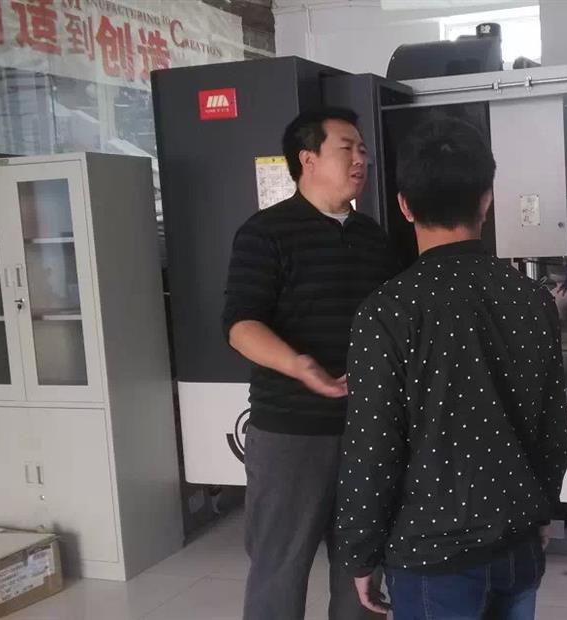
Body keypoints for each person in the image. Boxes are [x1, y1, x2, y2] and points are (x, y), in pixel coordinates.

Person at [334, 117, 567, 619]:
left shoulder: (388, 310)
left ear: (404, 205)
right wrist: (542, 509)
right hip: (517, 540)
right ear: (487, 199)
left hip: (430, 556)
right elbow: (553, 428)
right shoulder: (532, 299)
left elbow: (372, 449)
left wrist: (359, 554)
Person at [222, 107, 396, 620]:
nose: (360, 159)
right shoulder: (266, 232)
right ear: (308, 159)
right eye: (347, 148)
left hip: (366, 430)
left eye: (362, 149)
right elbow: (240, 326)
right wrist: (300, 366)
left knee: (362, 569)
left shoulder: (372, 238)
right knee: (279, 568)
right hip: (290, 433)